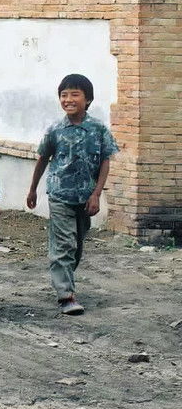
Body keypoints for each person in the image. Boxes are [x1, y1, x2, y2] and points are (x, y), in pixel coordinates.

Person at [26, 74, 117, 316]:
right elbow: (43, 158)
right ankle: (66, 295)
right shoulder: (55, 129)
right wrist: (33, 188)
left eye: (75, 94)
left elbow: (105, 161)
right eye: (64, 95)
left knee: (76, 247)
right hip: (59, 195)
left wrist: (97, 194)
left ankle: (62, 276)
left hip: (86, 197)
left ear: (88, 99)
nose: (68, 99)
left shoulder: (98, 129)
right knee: (64, 244)